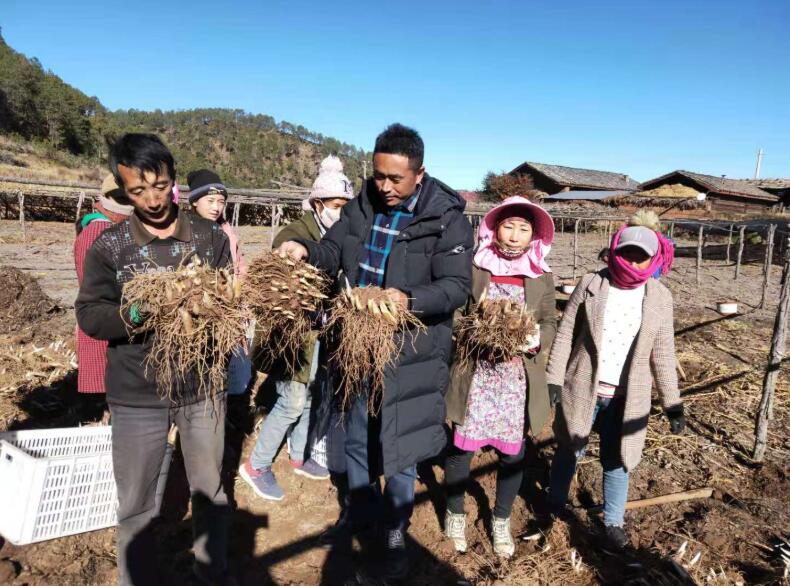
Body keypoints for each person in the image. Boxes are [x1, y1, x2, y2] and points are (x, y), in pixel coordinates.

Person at [277, 124, 474, 580]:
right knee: (356, 432)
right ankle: (358, 512)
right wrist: (302, 249)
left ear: (419, 174)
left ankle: (393, 532)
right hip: (356, 341)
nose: (384, 187)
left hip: (410, 351)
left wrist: (408, 299)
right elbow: (332, 250)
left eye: (395, 179)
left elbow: (456, 287)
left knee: (401, 444)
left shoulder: (447, 218)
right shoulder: (363, 203)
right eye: (378, 175)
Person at [75, 133, 232, 586]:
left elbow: (226, 302)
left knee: (209, 490)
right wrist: (135, 314)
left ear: (173, 180)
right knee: (137, 502)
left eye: (160, 185)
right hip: (137, 392)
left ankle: (212, 574)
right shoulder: (111, 245)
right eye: (137, 191)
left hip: (201, 387)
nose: (152, 199)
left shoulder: (209, 238)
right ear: (123, 192)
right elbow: (89, 315)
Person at [545, 213, 685, 552]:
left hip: (627, 397)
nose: (634, 260)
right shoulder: (592, 284)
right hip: (583, 387)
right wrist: (553, 378)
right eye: (628, 252)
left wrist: (673, 404)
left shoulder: (659, 298)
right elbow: (566, 333)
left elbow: (663, 354)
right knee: (569, 450)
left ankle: (613, 522)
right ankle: (552, 509)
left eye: (642, 255)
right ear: (615, 250)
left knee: (618, 459)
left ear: (654, 258)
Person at [443, 196, 557, 558]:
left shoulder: (541, 275)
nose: (514, 236)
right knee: (462, 449)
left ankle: (501, 518)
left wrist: (535, 338)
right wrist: (474, 330)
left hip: (515, 378)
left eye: (523, 229)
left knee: (512, 454)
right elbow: (456, 312)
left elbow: (550, 321)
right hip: (477, 374)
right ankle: (455, 512)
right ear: (494, 229)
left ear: (532, 237)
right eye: (508, 226)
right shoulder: (476, 267)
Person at [240, 155, 353, 499]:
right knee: (291, 400)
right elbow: (282, 283)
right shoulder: (295, 234)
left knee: (311, 393)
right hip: (292, 334)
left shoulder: (337, 233)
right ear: (317, 204)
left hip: (318, 331)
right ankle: (256, 466)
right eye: (336, 205)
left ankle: (299, 457)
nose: (342, 213)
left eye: (346, 206)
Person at [186, 169, 251, 396]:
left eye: (221, 202)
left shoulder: (225, 231)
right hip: (196, 314)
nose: (216, 207)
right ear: (194, 202)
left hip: (225, 311)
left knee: (219, 373)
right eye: (210, 200)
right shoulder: (184, 229)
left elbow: (238, 264)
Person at [73, 173, 134, 394]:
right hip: (105, 328)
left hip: (111, 324)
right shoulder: (98, 233)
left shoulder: (104, 230)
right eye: (124, 201)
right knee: (108, 401)